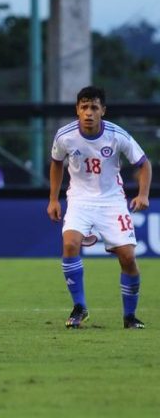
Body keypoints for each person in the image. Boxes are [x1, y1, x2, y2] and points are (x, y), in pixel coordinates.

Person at [47, 85, 151, 329]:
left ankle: (129, 317)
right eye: (84, 107)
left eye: (94, 107)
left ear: (103, 110)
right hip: (79, 200)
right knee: (70, 243)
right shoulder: (65, 135)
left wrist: (143, 194)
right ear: (77, 110)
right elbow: (56, 164)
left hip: (112, 201)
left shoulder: (117, 135)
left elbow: (144, 164)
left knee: (127, 257)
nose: (89, 112)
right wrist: (53, 199)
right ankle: (79, 307)